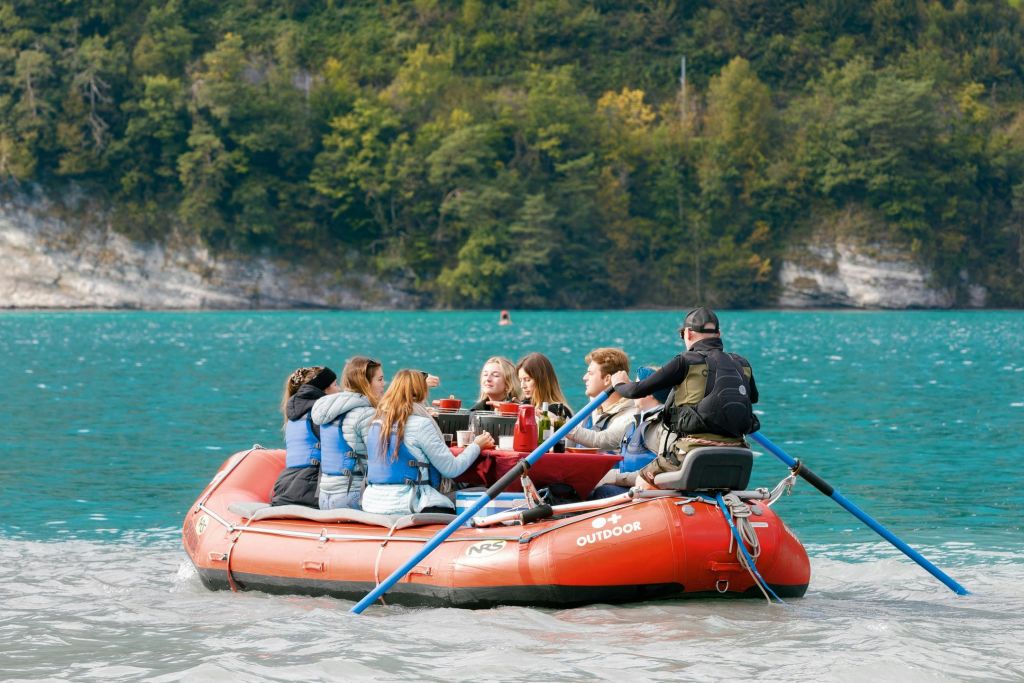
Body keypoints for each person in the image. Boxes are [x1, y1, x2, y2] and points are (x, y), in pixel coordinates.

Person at [610, 307, 759, 489]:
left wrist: (619, 383)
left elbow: (636, 391)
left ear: (688, 333)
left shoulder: (685, 361)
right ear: (718, 334)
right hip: (739, 451)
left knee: (643, 481)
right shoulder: (742, 363)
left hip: (691, 452)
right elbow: (753, 397)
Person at [362, 370, 495, 515]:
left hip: (373, 503)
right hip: (410, 504)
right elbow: (452, 468)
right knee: (486, 492)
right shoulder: (420, 424)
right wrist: (477, 445)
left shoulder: (376, 424)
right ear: (422, 392)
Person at [310, 357, 385, 511]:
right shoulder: (365, 414)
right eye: (380, 379)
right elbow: (380, 458)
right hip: (352, 494)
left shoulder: (328, 410)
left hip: (324, 495)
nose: (384, 384)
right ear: (365, 382)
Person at [589, 366, 671, 499]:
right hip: (630, 485)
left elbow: (658, 472)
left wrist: (614, 477)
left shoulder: (661, 426)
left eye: (637, 384)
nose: (633, 388)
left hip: (646, 492)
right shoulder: (636, 422)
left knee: (601, 492)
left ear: (649, 393)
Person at [270, 365, 339, 507]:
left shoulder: (293, 417)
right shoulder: (320, 416)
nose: (340, 390)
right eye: (335, 385)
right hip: (311, 489)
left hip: (284, 487)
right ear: (324, 390)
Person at [566, 347, 636, 451]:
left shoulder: (630, 417)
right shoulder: (590, 411)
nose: (584, 377)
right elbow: (568, 446)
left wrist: (560, 424)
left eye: (590, 373)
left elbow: (600, 440)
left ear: (607, 379)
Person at [516, 352, 573, 418]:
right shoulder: (524, 404)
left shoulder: (558, 411)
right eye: (520, 380)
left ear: (542, 381)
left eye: (528, 380)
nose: (522, 386)